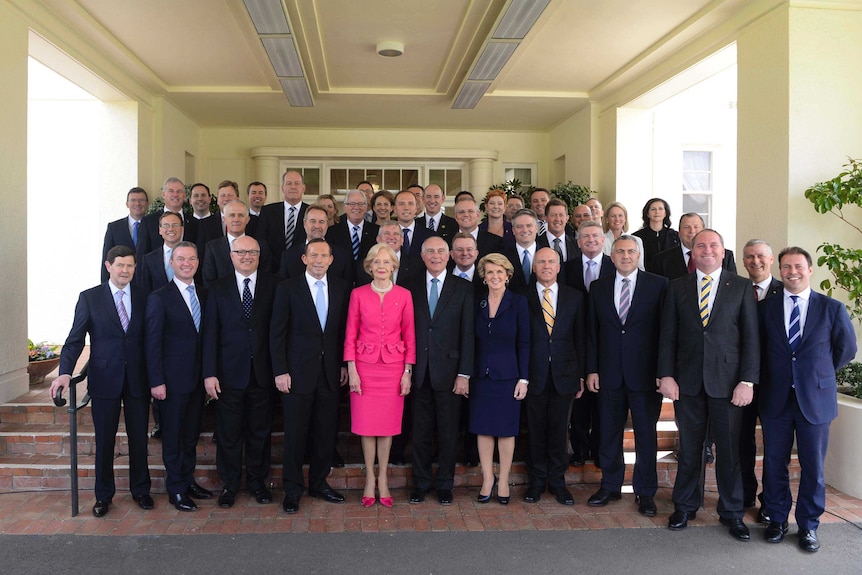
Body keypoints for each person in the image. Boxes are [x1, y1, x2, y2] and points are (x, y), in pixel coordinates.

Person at [658, 229, 759, 540]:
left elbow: (751, 339)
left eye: (713, 245)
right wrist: (666, 376)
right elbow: (667, 336)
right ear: (692, 251)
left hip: (728, 385)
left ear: (722, 250)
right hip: (687, 383)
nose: (707, 250)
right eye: (700, 245)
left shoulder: (741, 287)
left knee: (729, 451)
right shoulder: (677, 287)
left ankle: (731, 512)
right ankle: (685, 505)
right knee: (689, 449)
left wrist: (747, 381)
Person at [758, 247, 856, 552]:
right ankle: (776, 518)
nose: (792, 272)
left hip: (815, 399)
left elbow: (846, 349)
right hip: (776, 398)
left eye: (798, 266)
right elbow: (758, 350)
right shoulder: (766, 308)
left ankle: (809, 525)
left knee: (813, 465)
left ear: (810, 270)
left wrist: (817, 375)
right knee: (774, 462)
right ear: (780, 271)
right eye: (786, 267)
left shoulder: (832, 308)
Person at [50, 245, 152, 517]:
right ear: (108, 266)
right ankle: (103, 496)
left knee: (138, 439)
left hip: (138, 380)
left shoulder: (145, 296)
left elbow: (152, 340)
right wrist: (64, 372)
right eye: (120, 265)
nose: (125, 270)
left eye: (130, 265)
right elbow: (74, 341)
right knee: (105, 440)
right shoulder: (90, 298)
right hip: (104, 379)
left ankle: (141, 490)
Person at [585, 236, 668, 516]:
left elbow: (664, 333)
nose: (625, 255)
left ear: (639, 254)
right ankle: (610, 486)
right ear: (611, 255)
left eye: (631, 251)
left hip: (645, 376)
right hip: (608, 373)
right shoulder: (598, 287)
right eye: (619, 251)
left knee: (646, 435)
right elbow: (592, 333)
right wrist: (592, 369)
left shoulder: (658, 285)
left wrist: (662, 372)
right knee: (608, 433)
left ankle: (645, 493)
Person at [270, 239, 351, 514]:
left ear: (331, 259)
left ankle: (319, 483)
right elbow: (277, 333)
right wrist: (280, 370)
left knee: (325, 434)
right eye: (313, 255)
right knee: (295, 435)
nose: (319, 260)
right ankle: (292, 490)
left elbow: (341, 333)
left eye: (324, 255)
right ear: (304, 258)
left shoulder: (342, 288)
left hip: (330, 374)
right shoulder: (287, 288)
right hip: (296, 375)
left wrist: (342, 365)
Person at [202, 235, 278, 508]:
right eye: (240, 252)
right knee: (229, 433)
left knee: (260, 432)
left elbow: (278, 331)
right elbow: (210, 333)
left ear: (259, 255)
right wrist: (209, 373)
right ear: (231, 256)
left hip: (263, 372)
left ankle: (258, 482)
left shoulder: (273, 284)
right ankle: (230, 484)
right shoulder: (217, 288)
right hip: (228, 375)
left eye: (252, 252)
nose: (246, 256)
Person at [344, 244, 416, 507]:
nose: (382, 266)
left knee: (387, 426)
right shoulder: (358, 294)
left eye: (386, 262)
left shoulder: (404, 295)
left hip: (394, 368)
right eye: (377, 262)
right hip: (364, 367)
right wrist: (352, 369)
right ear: (370, 266)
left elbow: (410, 335)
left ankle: (383, 478)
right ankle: (369, 477)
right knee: (366, 426)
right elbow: (350, 334)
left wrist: (407, 371)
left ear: (393, 266)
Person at [144, 241, 211, 511]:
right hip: (170, 383)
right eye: (181, 259)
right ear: (171, 263)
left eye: (192, 259)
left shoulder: (205, 295)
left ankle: (188, 480)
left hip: (197, 381)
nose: (187, 263)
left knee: (191, 434)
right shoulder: (159, 297)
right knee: (172, 436)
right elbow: (152, 343)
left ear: (197, 262)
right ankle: (176, 489)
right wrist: (156, 381)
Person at [407, 237, 474, 505]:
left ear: (450, 256)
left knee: (448, 433)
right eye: (430, 251)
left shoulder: (464, 288)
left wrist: (464, 374)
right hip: (419, 372)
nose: (436, 256)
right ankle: (421, 483)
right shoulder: (408, 286)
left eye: (441, 251)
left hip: (450, 373)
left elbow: (468, 334)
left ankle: (445, 484)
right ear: (422, 256)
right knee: (420, 432)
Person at [524, 248, 585, 506]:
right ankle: (536, 481)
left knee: (560, 432)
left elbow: (581, 339)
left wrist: (581, 375)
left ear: (559, 267)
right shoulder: (521, 297)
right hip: (533, 374)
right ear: (534, 267)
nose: (546, 266)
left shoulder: (575, 297)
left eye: (551, 261)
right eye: (541, 262)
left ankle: (558, 482)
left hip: (565, 374)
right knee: (535, 430)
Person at [471, 253, 530, 505]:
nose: (495, 276)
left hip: (508, 376)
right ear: (484, 277)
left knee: (506, 431)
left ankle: (504, 479)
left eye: (499, 272)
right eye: (490, 272)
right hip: (480, 376)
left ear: (507, 276)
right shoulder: (476, 302)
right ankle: (487, 479)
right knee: (483, 430)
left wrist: (524, 378)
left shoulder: (518, 303)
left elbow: (525, 342)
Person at [741, 238, 782, 522]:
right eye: (749, 257)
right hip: (743, 382)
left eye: (760, 256)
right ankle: (744, 493)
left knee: (774, 445)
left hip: (774, 383)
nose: (755, 261)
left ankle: (770, 500)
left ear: (770, 260)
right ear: (743, 261)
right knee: (742, 441)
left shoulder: (785, 291)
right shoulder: (737, 289)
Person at [203, 200, 272, 287]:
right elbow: (209, 281)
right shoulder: (212, 248)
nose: (236, 219)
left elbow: (266, 277)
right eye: (232, 215)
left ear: (247, 220)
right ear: (224, 219)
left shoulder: (261, 245)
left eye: (241, 215)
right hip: (222, 298)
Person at [278, 204, 353, 282]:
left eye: (321, 222)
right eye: (312, 221)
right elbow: (284, 289)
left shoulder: (343, 257)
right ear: (304, 224)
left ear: (327, 225)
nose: (317, 226)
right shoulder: (288, 256)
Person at [652, 213, 736, 279]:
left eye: (696, 227)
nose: (692, 231)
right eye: (686, 227)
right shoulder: (662, 260)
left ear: (703, 229)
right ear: (679, 231)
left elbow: (732, 286)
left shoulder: (725, 256)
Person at [257, 170, 310, 274]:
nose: (293, 187)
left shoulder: (311, 212)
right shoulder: (267, 211)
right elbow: (261, 241)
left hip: (302, 270)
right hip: (272, 270)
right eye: (289, 183)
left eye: (297, 183)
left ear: (303, 188)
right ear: (283, 188)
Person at [136, 177, 199, 259]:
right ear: (163, 195)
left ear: (184, 196)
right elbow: (142, 255)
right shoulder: (148, 222)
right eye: (171, 191)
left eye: (179, 191)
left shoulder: (195, 223)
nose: (175, 194)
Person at [101, 187, 149, 282]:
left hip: (147, 281)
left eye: (141, 200)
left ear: (147, 204)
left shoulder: (155, 226)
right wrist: (104, 285)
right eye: (133, 200)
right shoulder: (114, 227)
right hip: (122, 280)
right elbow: (107, 256)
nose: (137, 204)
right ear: (127, 204)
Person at [503, 208, 548, 295]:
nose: (525, 230)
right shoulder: (503, 257)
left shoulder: (549, 255)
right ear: (513, 230)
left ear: (536, 228)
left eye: (529, 225)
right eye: (519, 226)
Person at [138, 211, 184, 294]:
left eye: (175, 225)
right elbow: (145, 291)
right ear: (160, 230)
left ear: (182, 229)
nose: (171, 229)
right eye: (166, 225)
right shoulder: (149, 259)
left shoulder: (193, 255)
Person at [327, 189, 380, 263]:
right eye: (352, 204)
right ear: (344, 207)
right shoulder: (331, 233)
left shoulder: (377, 231)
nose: (356, 207)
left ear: (366, 207)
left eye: (360, 204)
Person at [632, 197, 679, 272]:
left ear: (665, 213)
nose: (657, 212)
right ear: (647, 214)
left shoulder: (675, 236)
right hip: (647, 277)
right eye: (653, 209)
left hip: (671, 278)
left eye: (660, 209)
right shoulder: (637, 237)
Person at [601, 201, 644, 270]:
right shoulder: (600, 240)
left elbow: (640, 267)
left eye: (620, 215)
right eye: (613, 216)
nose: (617, 219)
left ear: (625, 219)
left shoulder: (636, 240)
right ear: (607, 219)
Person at [393, 190, 434, 260]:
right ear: (395, 209)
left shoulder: (430, 236)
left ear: (416, 208)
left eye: (410, 203)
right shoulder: (386, 235)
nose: (406, 208)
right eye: (401, 204)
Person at [544, 198, 578, 264]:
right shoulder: (536, 243)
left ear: (567, 218)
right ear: (546, 218)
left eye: (561, 215)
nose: (557, 219)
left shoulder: (577, 245)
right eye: (553, 215)